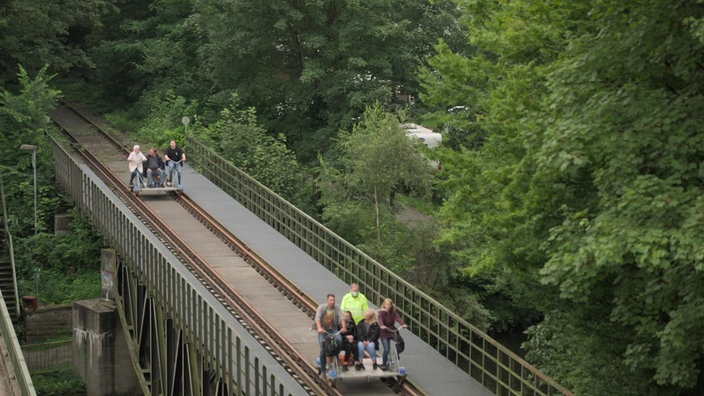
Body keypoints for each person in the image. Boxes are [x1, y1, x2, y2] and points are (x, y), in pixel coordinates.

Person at [315, 294, 347, 378]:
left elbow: (342, 317)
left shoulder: (337, 307)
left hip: (333, 329)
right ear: (327, 300)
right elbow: (317, 318)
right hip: (323, 330)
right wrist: (319, 328)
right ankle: (323, 371)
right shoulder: (322, 308)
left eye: (334, 300)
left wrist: (343, 327)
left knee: (339, 340)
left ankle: (336, 355)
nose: (332, 302)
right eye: (331, 300)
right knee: (323, 348)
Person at [377, 298, 407, 371]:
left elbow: (398, 318)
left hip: (392, 330)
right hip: (384, 331)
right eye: (387, 304)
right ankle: (384, 364)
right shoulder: (381, 312)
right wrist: (381, 325)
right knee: (386, 349)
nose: (388, 306)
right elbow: (379, 319)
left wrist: (403, 324)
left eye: (390, 304)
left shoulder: (393, 312)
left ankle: (397, 353)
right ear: (384, 304)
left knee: (400, 342)